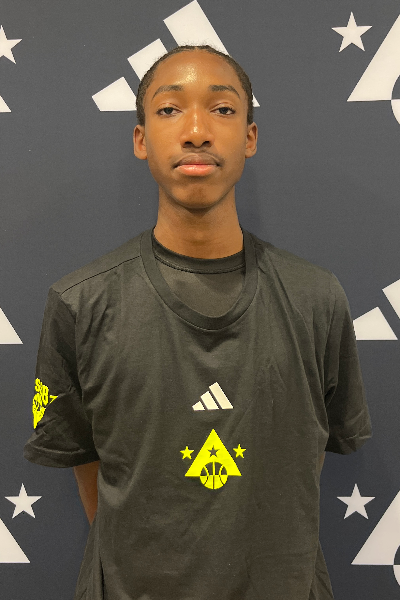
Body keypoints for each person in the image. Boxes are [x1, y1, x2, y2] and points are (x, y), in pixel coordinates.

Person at [23, 45, 372, 600]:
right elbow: (86, 462)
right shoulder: (80, 303)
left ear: (250, 137)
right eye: (169, 109)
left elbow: (301, 461)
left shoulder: (315, 298)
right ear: (141, 139)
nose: (195, 132)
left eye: (222, 109)